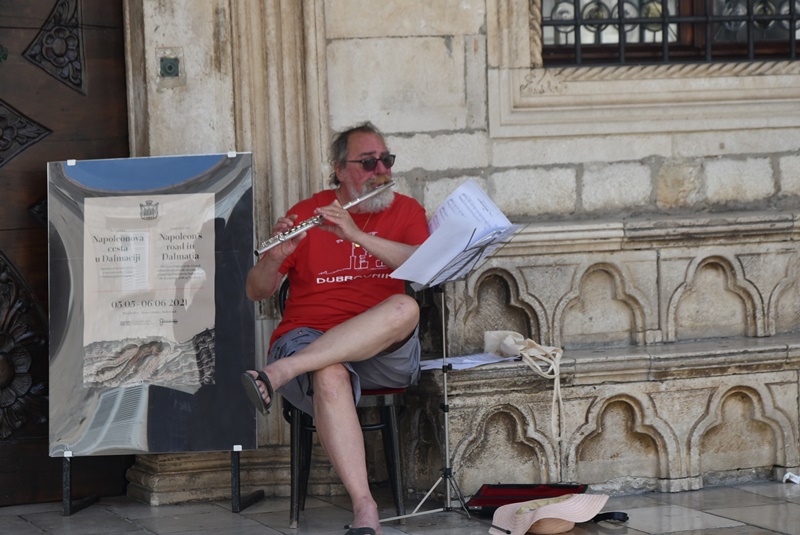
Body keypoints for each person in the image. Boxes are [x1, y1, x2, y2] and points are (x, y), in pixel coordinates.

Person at [241, 122, 430, 535]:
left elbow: (423, 268)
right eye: (368, 163)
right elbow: (256, 290)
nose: (381, 170)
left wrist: (356, 235)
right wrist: (276, 257)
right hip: (309, 334)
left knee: (405, 306)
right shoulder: (308, 212)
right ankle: (365, 509)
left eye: (386, 160)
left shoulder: (406, 211)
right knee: (328, 371)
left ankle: (282, 371)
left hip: (382, 350)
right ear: (340, 170)